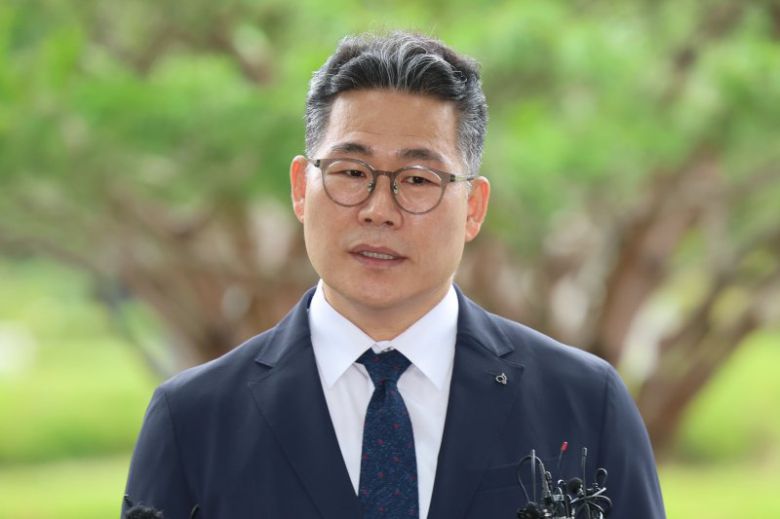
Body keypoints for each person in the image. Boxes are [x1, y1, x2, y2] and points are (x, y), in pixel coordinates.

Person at [122, 31, 666, 519]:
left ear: (474, 207)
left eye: (418, 178)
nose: (379, 210)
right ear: (300, 189)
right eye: (351, 172)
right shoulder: (192, 420)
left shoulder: (584, 402)